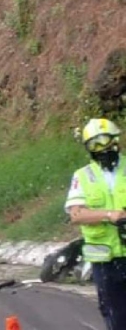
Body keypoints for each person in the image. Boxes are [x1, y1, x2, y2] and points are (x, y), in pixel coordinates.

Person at [66, 118, 126, 329]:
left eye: (106, 141)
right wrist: (109, 215)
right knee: (115, 314)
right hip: (104, 261)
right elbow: (76, 214)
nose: (102, 148)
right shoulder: (82, 176)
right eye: (94, 144)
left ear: (116, 141)